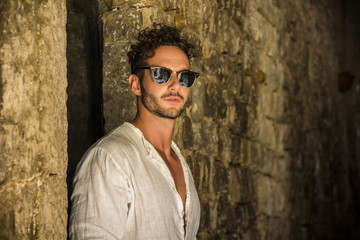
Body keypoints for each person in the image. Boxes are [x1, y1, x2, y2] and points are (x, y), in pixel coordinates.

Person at [69, 23, 201, 240]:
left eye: (184, 77)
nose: (175, 85)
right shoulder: (109, 159)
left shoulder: (181, 164)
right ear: (136, 85)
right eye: (161, 74)